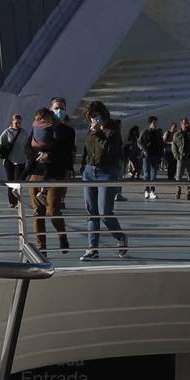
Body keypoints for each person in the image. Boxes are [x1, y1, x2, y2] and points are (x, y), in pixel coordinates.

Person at [79, 101, 130, 261]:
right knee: (91, 212)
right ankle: (92, 249)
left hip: (107, 172)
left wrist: (99, 132)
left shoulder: (113, 129)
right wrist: (83, 167)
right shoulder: (91, 129)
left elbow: (110, 150)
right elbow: (87, 149)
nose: (93, 120)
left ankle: (120, 237)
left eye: (95, 116)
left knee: (104, 212)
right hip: (89, 171)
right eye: (90, 118)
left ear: (103, 114)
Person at [26, 106, 74, 255]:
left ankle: (62, 236)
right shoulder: (36, 128)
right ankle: (42, 247)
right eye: (55, 107)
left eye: (61, 108)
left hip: (55, 174)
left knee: (52, 210)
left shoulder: (66, 131)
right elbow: (27, 148)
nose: (57, 110)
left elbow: (66, 152)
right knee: (37, 212)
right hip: (37, 173)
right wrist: (37, 155)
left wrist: (50, 156)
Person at [0, 113, 25, 206]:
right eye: (16, 123)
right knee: (10, 181)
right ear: (12, 122)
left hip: (20, 160)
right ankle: (12, 202)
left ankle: (18, 201)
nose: (18, 125)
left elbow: (27, 144)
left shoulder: (23, 132)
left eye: (20, 123)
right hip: (9, 160)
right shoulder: (7, 132)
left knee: (18, 181)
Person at [140, 116, 165, 200]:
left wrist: (161, 155)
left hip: (156, 155)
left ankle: (152, 191)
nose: (156, 124)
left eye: (156, 122)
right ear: (150, 123)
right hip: (147, 155)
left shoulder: (158, 133)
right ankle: (146, 190)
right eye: (154, 123)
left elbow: (161, 144)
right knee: (146, 173)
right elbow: (139, 142)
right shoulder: (145, 132)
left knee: (154, 175)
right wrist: (144, 149)